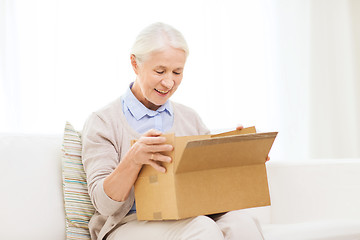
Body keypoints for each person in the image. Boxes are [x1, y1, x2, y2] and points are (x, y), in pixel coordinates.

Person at [81, 22, 265, 240]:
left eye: (177, 72)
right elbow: (104, 205)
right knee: (202, 228)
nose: (169, 82)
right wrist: (133, 160)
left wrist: (241, 159)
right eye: (160, 71)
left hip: (189, 216)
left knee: (242, 223)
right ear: (135, 64)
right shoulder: (103, 121)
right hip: (128, 224)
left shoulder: (190, 118)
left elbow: (212, 193)